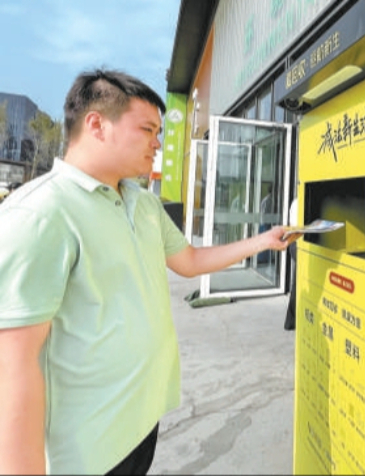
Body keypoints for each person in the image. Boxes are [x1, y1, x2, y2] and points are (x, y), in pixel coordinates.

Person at [0, 68, 294, 475]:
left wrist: (263, 241)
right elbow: (13, 368)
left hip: (141, 424)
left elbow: (189, 262)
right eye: (147, 130)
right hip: (86, 453)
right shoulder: (41, 214)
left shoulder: (145, 204)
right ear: (97, 125)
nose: (158, 143)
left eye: (159, 133)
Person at [284, 197, 299, 331]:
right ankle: (291, 320)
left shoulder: (295, 202)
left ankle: (291, 320)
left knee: (297, 281)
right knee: (297, 282)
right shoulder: (299, 203)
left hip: (294, 244)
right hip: (297, 244)